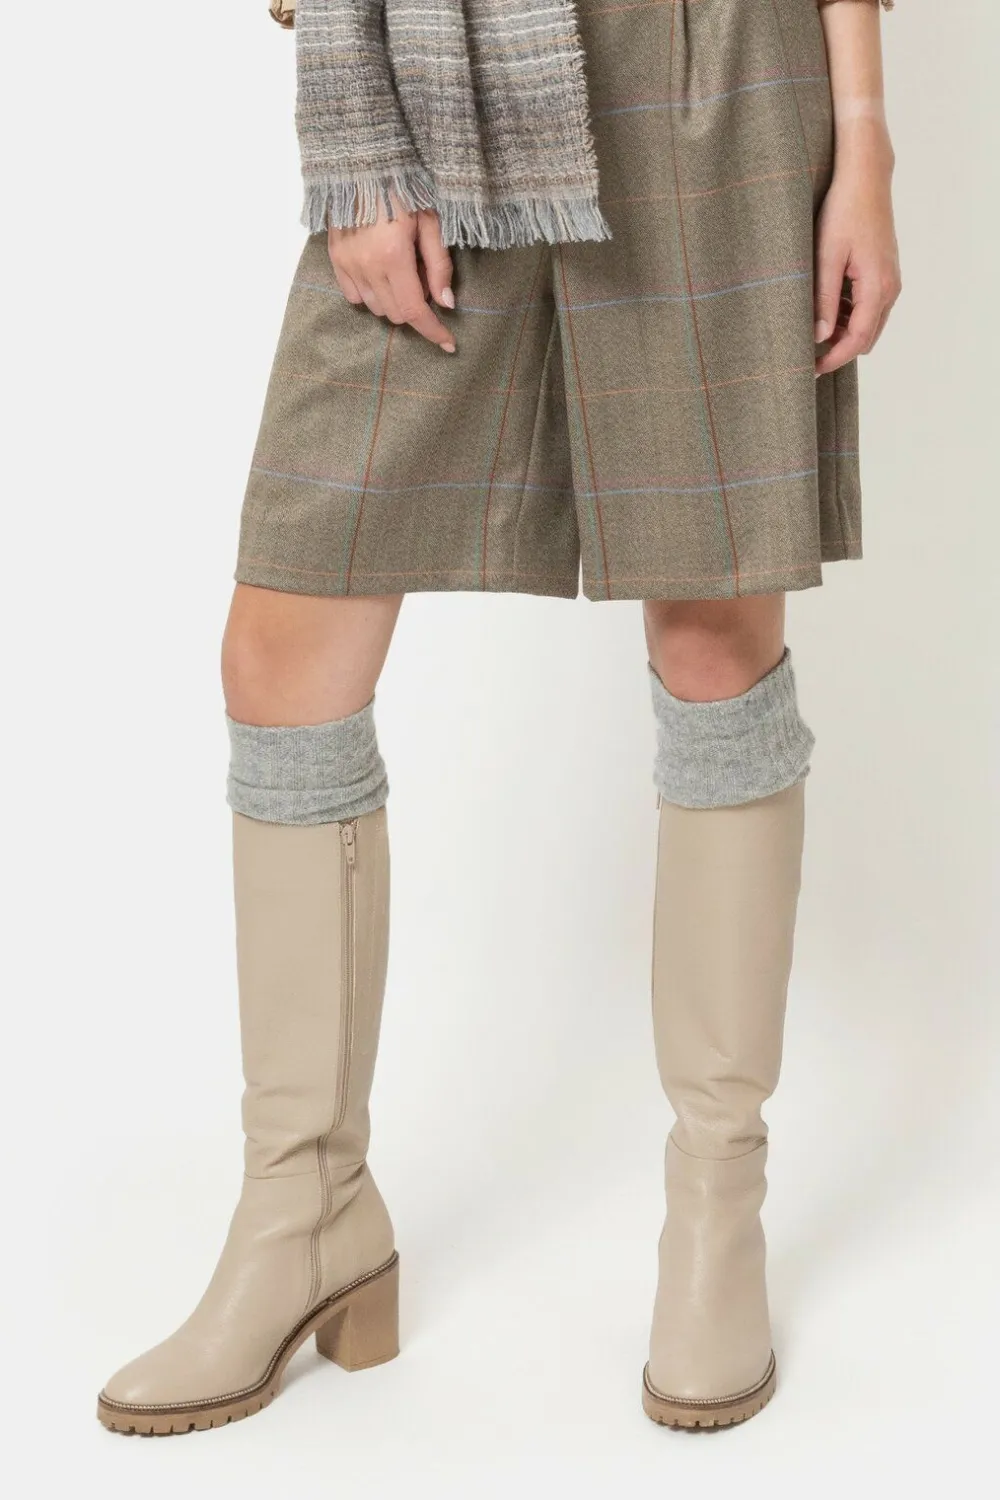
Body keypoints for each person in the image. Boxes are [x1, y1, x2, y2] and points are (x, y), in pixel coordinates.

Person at [98, 0, 900, 1435]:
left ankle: (717, 1210)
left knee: (714, 638)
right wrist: (359, 146)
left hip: (718, 75)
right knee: (283, 648)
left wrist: (867, 146)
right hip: (442, 71)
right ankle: (306, 1209)